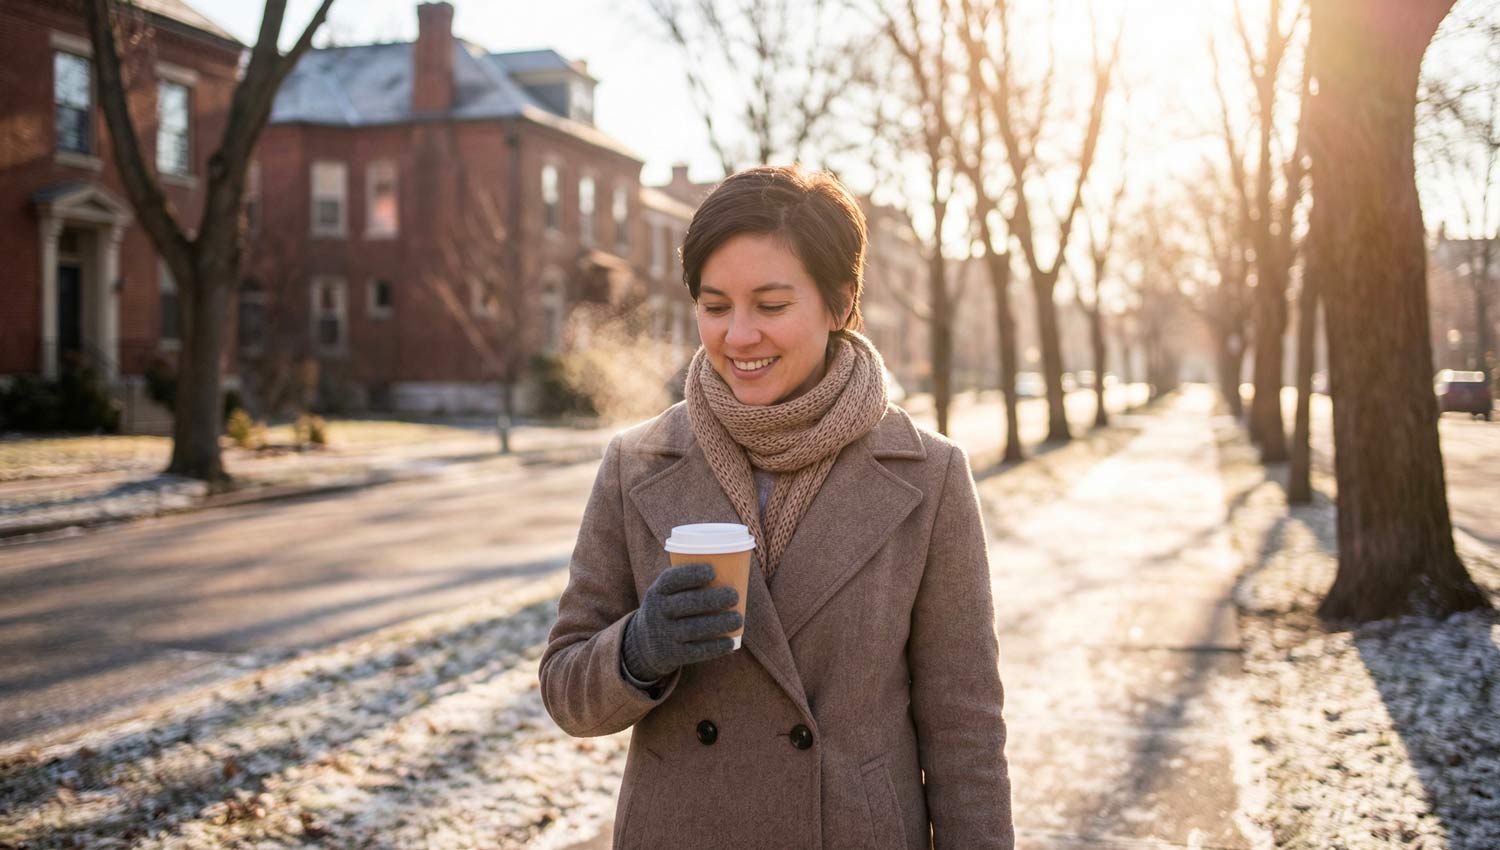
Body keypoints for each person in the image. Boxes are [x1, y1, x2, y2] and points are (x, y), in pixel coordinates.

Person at [539, 165, 1013, 849]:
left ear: (840, 304)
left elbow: (965, 726)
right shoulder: (637, 462)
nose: (737, 336)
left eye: (770, 305)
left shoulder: (929, 475)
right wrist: (641, 649)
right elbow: (565, 691)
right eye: (715, 305)